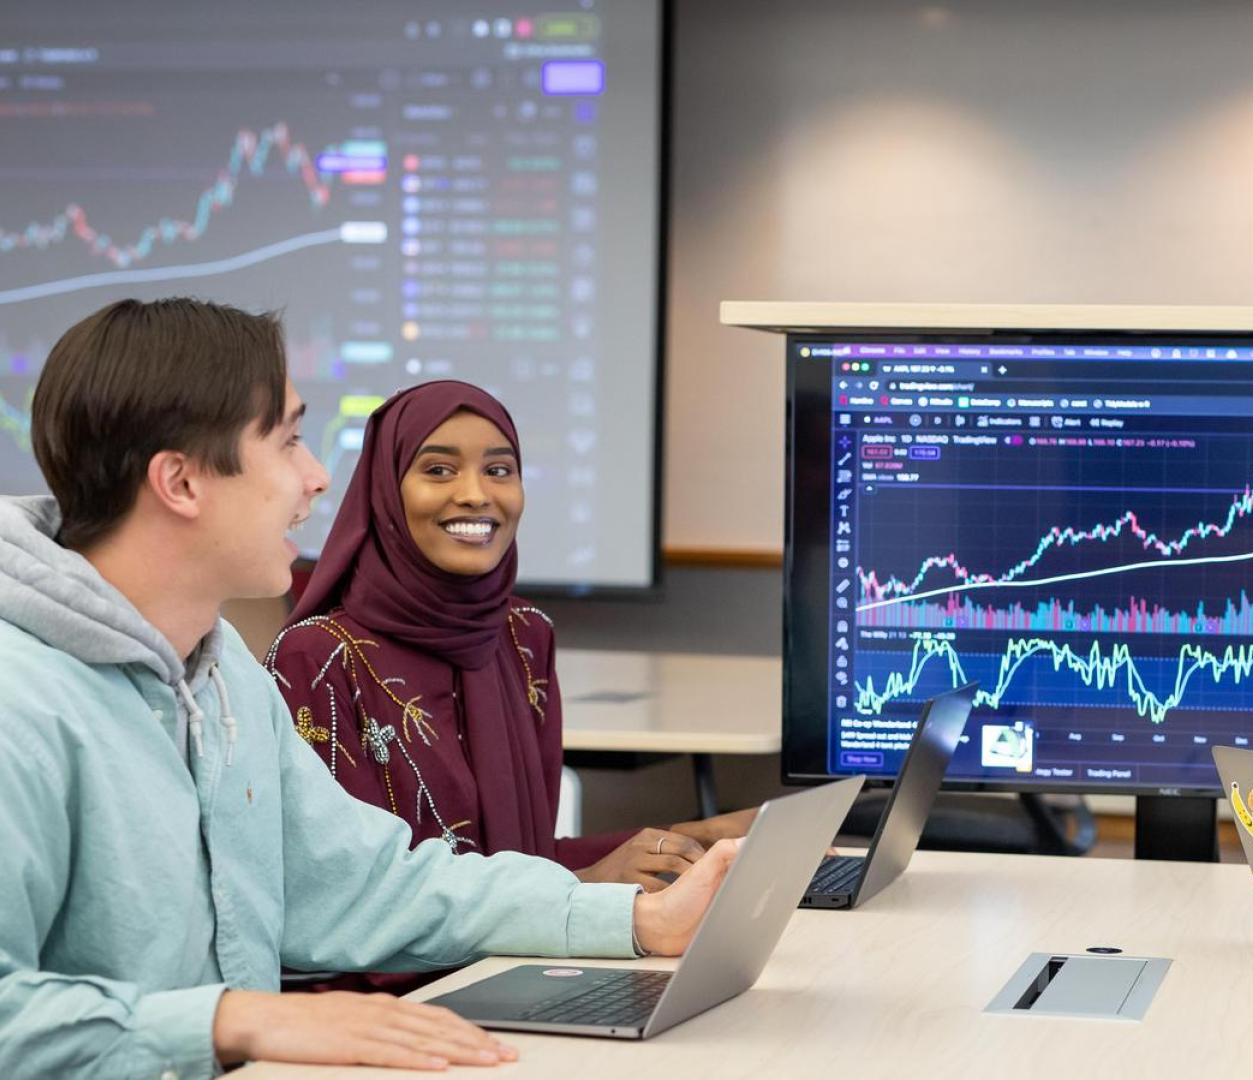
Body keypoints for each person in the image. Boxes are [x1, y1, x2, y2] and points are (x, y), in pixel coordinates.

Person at [0, 298, 736, 1077]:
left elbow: (369, 884)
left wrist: (635, 919)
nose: (317, 478)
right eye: (286, 442)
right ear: (181, 482)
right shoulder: (23, 704)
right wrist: (233, 1020)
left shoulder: (225, 684)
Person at [267, 380, 753, 901]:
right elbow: (347, 902)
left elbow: (527, 860)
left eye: (499, 470)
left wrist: (695, 838)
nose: (477, 493)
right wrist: (579, 888)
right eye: (438, 470)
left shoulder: (521, 636)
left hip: (523, 956)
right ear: (384, 489)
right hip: (398, 982)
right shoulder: (316, 658)